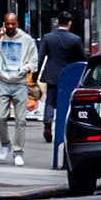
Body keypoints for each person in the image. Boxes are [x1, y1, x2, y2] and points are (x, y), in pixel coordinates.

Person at [36, 10, 85, 169]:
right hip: (68, 76)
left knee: (50, 101)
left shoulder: (48, 37)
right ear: (69, 23)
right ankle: (65, 128)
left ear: (57, 22)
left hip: (52, 74)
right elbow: (82, 59)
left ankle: (47, 122)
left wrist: (36, 74)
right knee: (67, 104)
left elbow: (41, 57)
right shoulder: (75, 39)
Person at [0, 8, 39, 165]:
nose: (10, 27)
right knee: (0, 116)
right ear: (3, 24)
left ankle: (18, 151)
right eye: (7, 24)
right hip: (2, 82)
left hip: (19, 83)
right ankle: (5, 143)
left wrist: (25, 69)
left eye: (13, 24)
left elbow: (34, 62)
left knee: (20, 120)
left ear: (17, 24)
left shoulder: (26, 40)